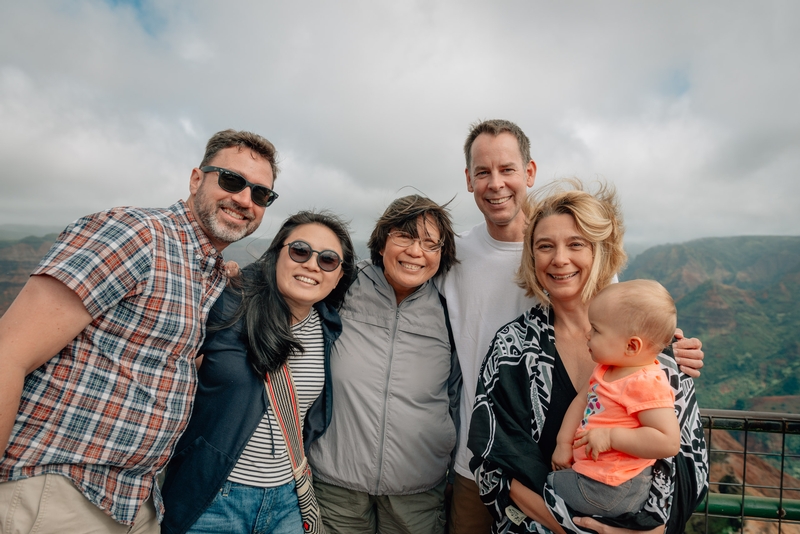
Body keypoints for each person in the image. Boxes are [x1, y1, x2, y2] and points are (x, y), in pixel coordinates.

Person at [0, 129, 278, 533]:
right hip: (57, 490)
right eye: (232, 181)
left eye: (261, 194)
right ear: (197, 179)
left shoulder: (210, 271)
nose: (244, 200)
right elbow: (9, 352)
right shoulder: (138, 234)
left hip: (134, 501)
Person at [437, 119, 705, 534]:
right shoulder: (511, 345)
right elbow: (498, 464)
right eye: (545, 247)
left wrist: (651, 531)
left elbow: (686, 463)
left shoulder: (649, 353)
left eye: (576, 244)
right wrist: (576, 530)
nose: (560, 259)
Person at [160, 211, 357, 534]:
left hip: (287, 500)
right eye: (300, 251)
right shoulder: (227, 306)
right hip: (214, 497)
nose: (311, 265)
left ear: (338, 276)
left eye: (328, 260)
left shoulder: (328, 327)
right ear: (277, 254)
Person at [307, 195, 461, 534]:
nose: (415, 252)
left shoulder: (450, 310)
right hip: (335, 487)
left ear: (441, 255)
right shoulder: (342, 287)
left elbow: (455, 396)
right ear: (382, 242)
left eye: (430, 243)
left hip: (418, 491)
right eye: (404, 236)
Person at [548, 280, 682, 519]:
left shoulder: (645, 383)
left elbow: (668, 442)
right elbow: (581, 402)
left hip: (615, 486)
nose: (588, 334)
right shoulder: (605, 369)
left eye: (597, 330)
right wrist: (563, 443)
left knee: (545, 487)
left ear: (631, 345)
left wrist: (611, 437)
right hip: (594, 474)